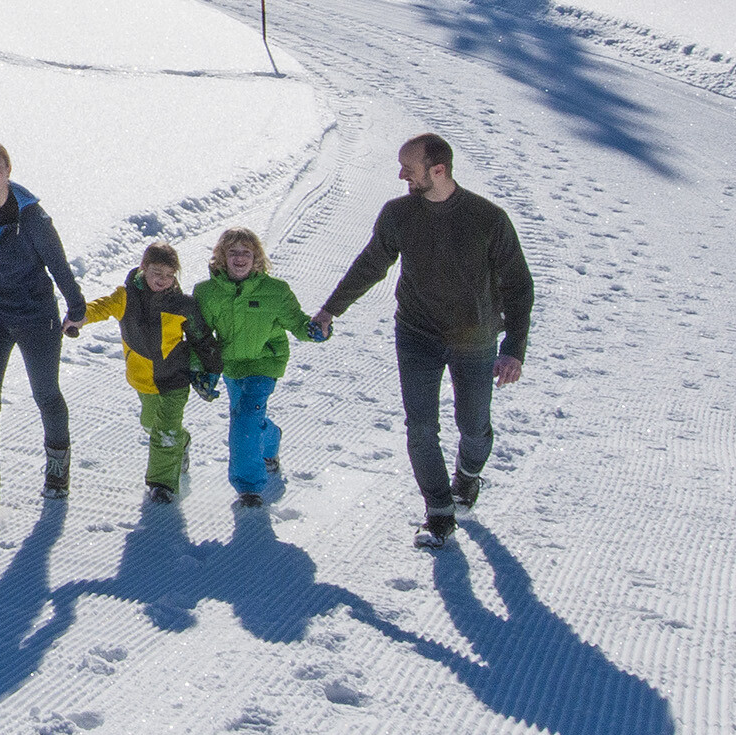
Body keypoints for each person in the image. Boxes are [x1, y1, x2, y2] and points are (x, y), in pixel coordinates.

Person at [311, 132, 533, 546]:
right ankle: (439, 513)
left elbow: (519, 286)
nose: (401, 175)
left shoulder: (488, 218)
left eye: (408, 169)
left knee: (473, 425)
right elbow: (371, 264)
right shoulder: (398, 214)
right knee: (421, 428)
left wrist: (513, 350)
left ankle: (467, 475)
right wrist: (330, 310)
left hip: (475, 338)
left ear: (438, 169)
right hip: (417, 334)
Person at [0, 138, 88, 519]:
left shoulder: (33, 217)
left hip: (35, 314)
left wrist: (76, 306)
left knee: (46, 394)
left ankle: (57, 473)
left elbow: (57, 263)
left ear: (8, 170)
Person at [76, 242, 220, 506]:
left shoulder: (183, 305)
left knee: (165, 431)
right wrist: (80, 317)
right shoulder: (126, 298)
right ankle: (182, 441)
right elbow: (102, 307)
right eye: (157, 273)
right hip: (142, 379)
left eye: (169, 275)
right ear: (144, 268)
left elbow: (201, 337)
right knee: (150, 424)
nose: (163, 280)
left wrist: (211, 369)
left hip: (175, 377)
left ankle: (162, 485)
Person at [192, 227, 309, 509]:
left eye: (246, 252)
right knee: (249, 419)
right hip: (231, 365)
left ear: (256, 257)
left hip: (265, 361)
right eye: (233, 252)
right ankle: (271, 440)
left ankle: (249, 488)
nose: (240, 258)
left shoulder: (275, 291)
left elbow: (299, 323)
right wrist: (202, 372)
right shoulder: (206, 293)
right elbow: (199, 337)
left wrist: (317, 329)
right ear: (221, 257)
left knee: (243, 420)